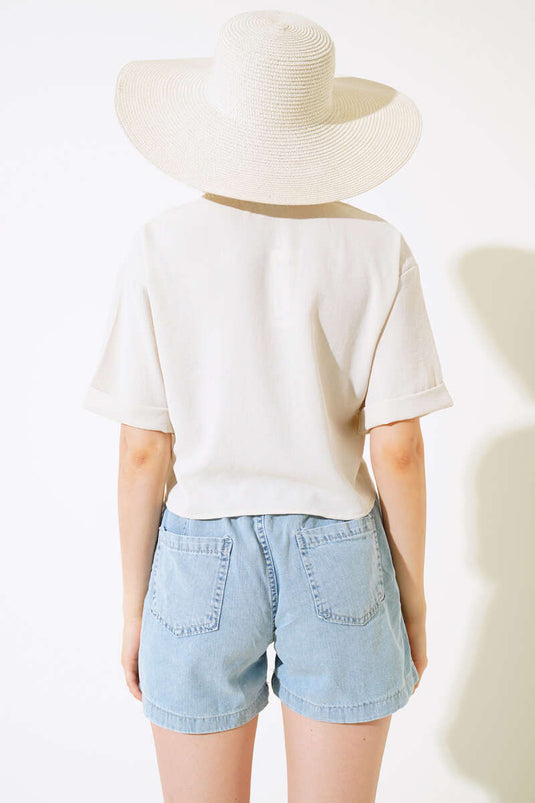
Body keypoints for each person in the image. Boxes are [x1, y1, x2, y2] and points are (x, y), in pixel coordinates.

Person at [82, 9, 453, 802]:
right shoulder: (378, 248)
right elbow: (398, 447)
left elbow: (143, 448)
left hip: (198, 556)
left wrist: (132, 607)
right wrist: (413, 599)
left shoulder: (161, 243)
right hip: (341, 555)